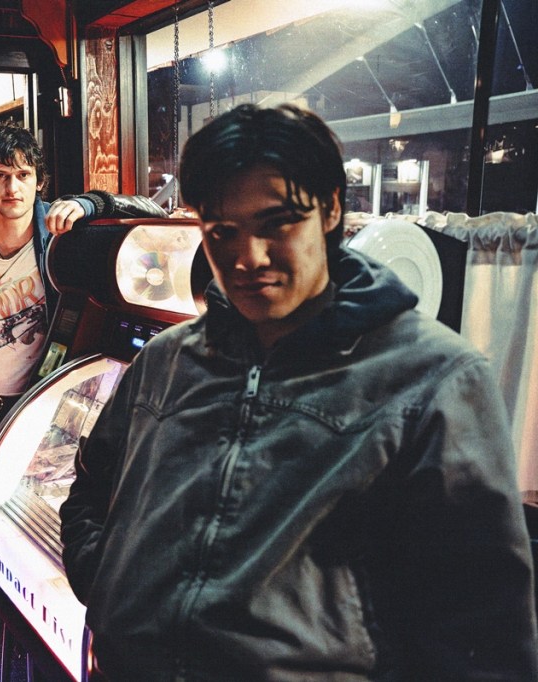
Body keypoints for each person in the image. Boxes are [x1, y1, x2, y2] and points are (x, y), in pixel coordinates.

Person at [60, 103, 538, 680]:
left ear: (331, 209)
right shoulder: (166, 358)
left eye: (277, 223)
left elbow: (483, 635)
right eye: (223, 231)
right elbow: (90, 490)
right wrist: (109, 585)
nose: (249, 257)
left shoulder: (435, 379)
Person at [0, 122, 167, 510]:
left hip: (42, 405)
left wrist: (90, 204)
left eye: (23, 175)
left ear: (39, 181)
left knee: (30, 517)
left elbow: (154, 211)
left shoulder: (64, 238)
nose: (12, 187)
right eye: (0, 176)